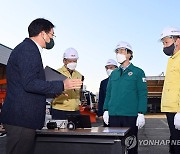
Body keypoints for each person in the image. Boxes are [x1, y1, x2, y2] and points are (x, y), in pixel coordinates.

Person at [0, 18, 82, 154]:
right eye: (52, 35)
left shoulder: (28, 49)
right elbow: (30, 83)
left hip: (22, 118)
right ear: (43, 34)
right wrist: (61, 84)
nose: (52, 39)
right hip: (22, 118)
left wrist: (53, 92)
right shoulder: (29, 50)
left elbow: (27, 84)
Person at [103, 41, 147, 154]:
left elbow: (142, 93)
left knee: (131, 146)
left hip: (130, 116)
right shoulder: (114, 73)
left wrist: (141, 112)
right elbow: (108, 93)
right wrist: (106, 110)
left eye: (122, 50)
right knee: (115, 147)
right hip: (114, 115)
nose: (119, 53)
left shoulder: (138, 72)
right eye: (117, 51)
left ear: (129, 54)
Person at [160, 27, 180, 154]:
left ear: (177, 41)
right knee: (174, 141)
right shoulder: (172, 60)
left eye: (166, 42)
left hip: (177, 109)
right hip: (170, 108)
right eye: (163, 43)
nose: (164, 46)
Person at [51, 48, 83, 120]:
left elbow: (79, 93)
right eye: (70, 61)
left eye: (74, 61)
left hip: (75, 111)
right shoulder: (56, 73)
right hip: (59, 110)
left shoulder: (79, 75)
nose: (73, 63)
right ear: (64, 61)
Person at [97, 59, 118, 126]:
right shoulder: (103, 83)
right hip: (107, 113)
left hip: (120, 113)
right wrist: (100, 113)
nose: (109, 70)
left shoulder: (122, 81)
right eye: (107, 68)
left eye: (111, 68)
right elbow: (101, 99)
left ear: (116, 68)